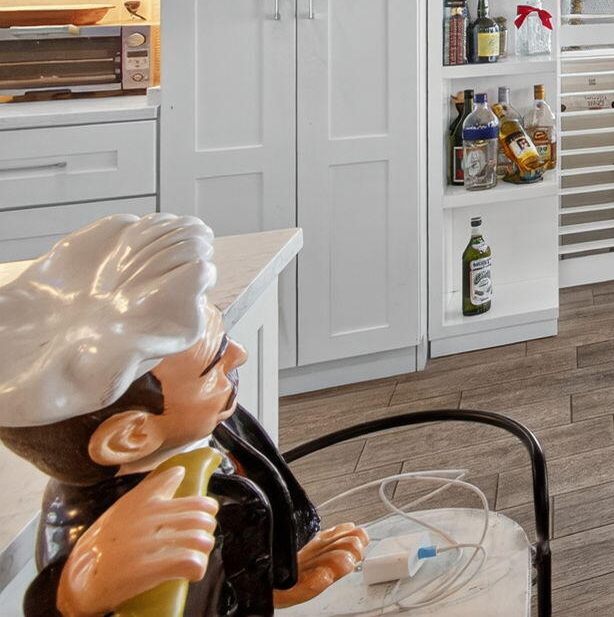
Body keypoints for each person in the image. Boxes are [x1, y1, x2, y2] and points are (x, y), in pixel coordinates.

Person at [0, 213, 367, 615]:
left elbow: (254, 492)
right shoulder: (110, 526)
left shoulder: (208, 427)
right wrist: (75, 596)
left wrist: (273, 579)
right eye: (212, 364)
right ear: (132, 435)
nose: (238, 355)